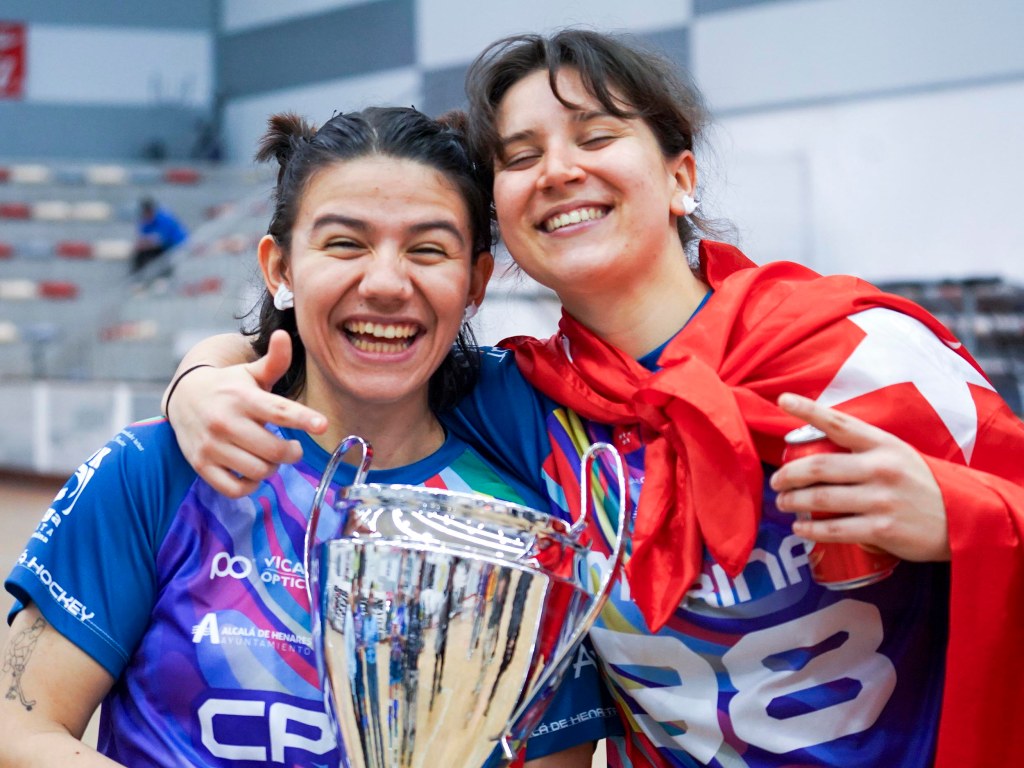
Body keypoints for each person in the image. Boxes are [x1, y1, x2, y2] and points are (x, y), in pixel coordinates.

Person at [157, 29, 1024, 768]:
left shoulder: (858, 355)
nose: (558, 171)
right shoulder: (521, 403)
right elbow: (328, 355)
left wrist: (961, 516)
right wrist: (199, 380)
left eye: (596, 135)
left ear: (682, 177)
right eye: (520, 156)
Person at [0, 107, 611, 767]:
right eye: (345, 243)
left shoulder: (525, 535)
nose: (385, 284)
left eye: (428, 249)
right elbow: (19, 730)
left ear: (476, 282)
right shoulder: (158, 468)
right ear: (280, 269)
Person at [131, 197, 188, 284]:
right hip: (162, 246)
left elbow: (164, 238)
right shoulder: (144, 220)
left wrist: (146, 243)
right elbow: (141, 237)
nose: (146, 214)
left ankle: (166, 278)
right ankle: (137, 279)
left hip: (177, 246)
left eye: (148, 212)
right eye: (145, 212)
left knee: (164, 259)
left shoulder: (164, 218)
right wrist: (141, 244)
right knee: (139, 254)